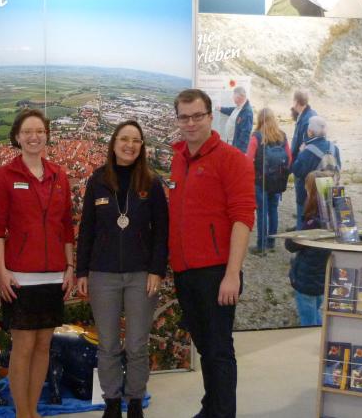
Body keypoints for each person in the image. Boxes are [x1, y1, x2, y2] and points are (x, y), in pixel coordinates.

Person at [168, 89, 256, 418]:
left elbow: (243, 218)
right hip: (185, 271)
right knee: (205, 348)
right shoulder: (178, 159)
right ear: (177, 119)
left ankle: (222, 414)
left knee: (219, 351)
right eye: (184, 117)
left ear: (209, 116)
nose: (190, 123)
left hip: (218, 272)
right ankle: (211, 408)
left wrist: (232, 274)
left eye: (197, 116)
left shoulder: (232, 159)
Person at [75, 121, 168, 418]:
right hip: (102, 274)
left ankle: (136, 400)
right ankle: (112, 401)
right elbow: (87, 229)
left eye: (136, 141)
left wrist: (157, 270)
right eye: (124, 139)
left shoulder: (152, 183)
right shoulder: (97, 180)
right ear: (114, 143)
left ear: (142, 147)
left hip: (142, 274)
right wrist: (81, 273)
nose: (130, 145)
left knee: (138, 343)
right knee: (108, 344)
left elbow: (162, 231)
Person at [0, 109, 75, 418]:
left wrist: (70, 267)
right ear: (17, 137)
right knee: (23, 347)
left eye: (39, 131)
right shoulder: (5, 176)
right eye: (27, 131)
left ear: (47, 135)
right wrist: (1, 270)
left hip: (53, 275)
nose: (34, 136)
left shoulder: (59, 175)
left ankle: (32, 411)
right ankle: (21, 412)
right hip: (20, 275)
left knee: (42, 347)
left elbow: (66, 226)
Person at [285, 170, 335, 326]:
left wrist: (294, 233)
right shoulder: (333, 218)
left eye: (307, 188)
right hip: (322, 279)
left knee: (308, 321)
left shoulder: (312, 222)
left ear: (311, 192)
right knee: (316, 313)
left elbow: (291, 246)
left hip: (307, 280)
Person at [245, 108, 292, 255]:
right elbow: (289, 158)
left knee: (262, 212)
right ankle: (271, 243)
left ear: (259, 119)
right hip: (277, 181)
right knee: (273, 211)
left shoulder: (256, 137)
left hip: (260, 181)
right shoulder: (282, 136)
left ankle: (261, 246)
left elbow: (248, 160)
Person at [291, 116, 340, 229]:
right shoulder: (334, 148)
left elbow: (297, 171)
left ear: (310, 132)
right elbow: (338, 168)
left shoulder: (307, 150)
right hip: (330, 194)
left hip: (308, 197)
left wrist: (301, 153)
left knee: (304, 226)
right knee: (328, 224)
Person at [290, 90, 317, 227]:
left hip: (304, 166)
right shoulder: (304, 116)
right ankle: (300, 225)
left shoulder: (308, 119)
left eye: (293, 100)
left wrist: (297, 164)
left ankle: (301, 230)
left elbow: (306, 146)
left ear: (296, 101)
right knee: (302, 199)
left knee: (302, 200)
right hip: (301, 163)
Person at [218, 86, 254, 153]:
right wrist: (221, 109)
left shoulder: (247, 112)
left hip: (236, 147)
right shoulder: (239, 107)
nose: (233, 98)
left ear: (239, 97)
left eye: (234, 96)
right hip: (231, 142)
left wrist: (239, 150)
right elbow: (232, 111)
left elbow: (245, 133)